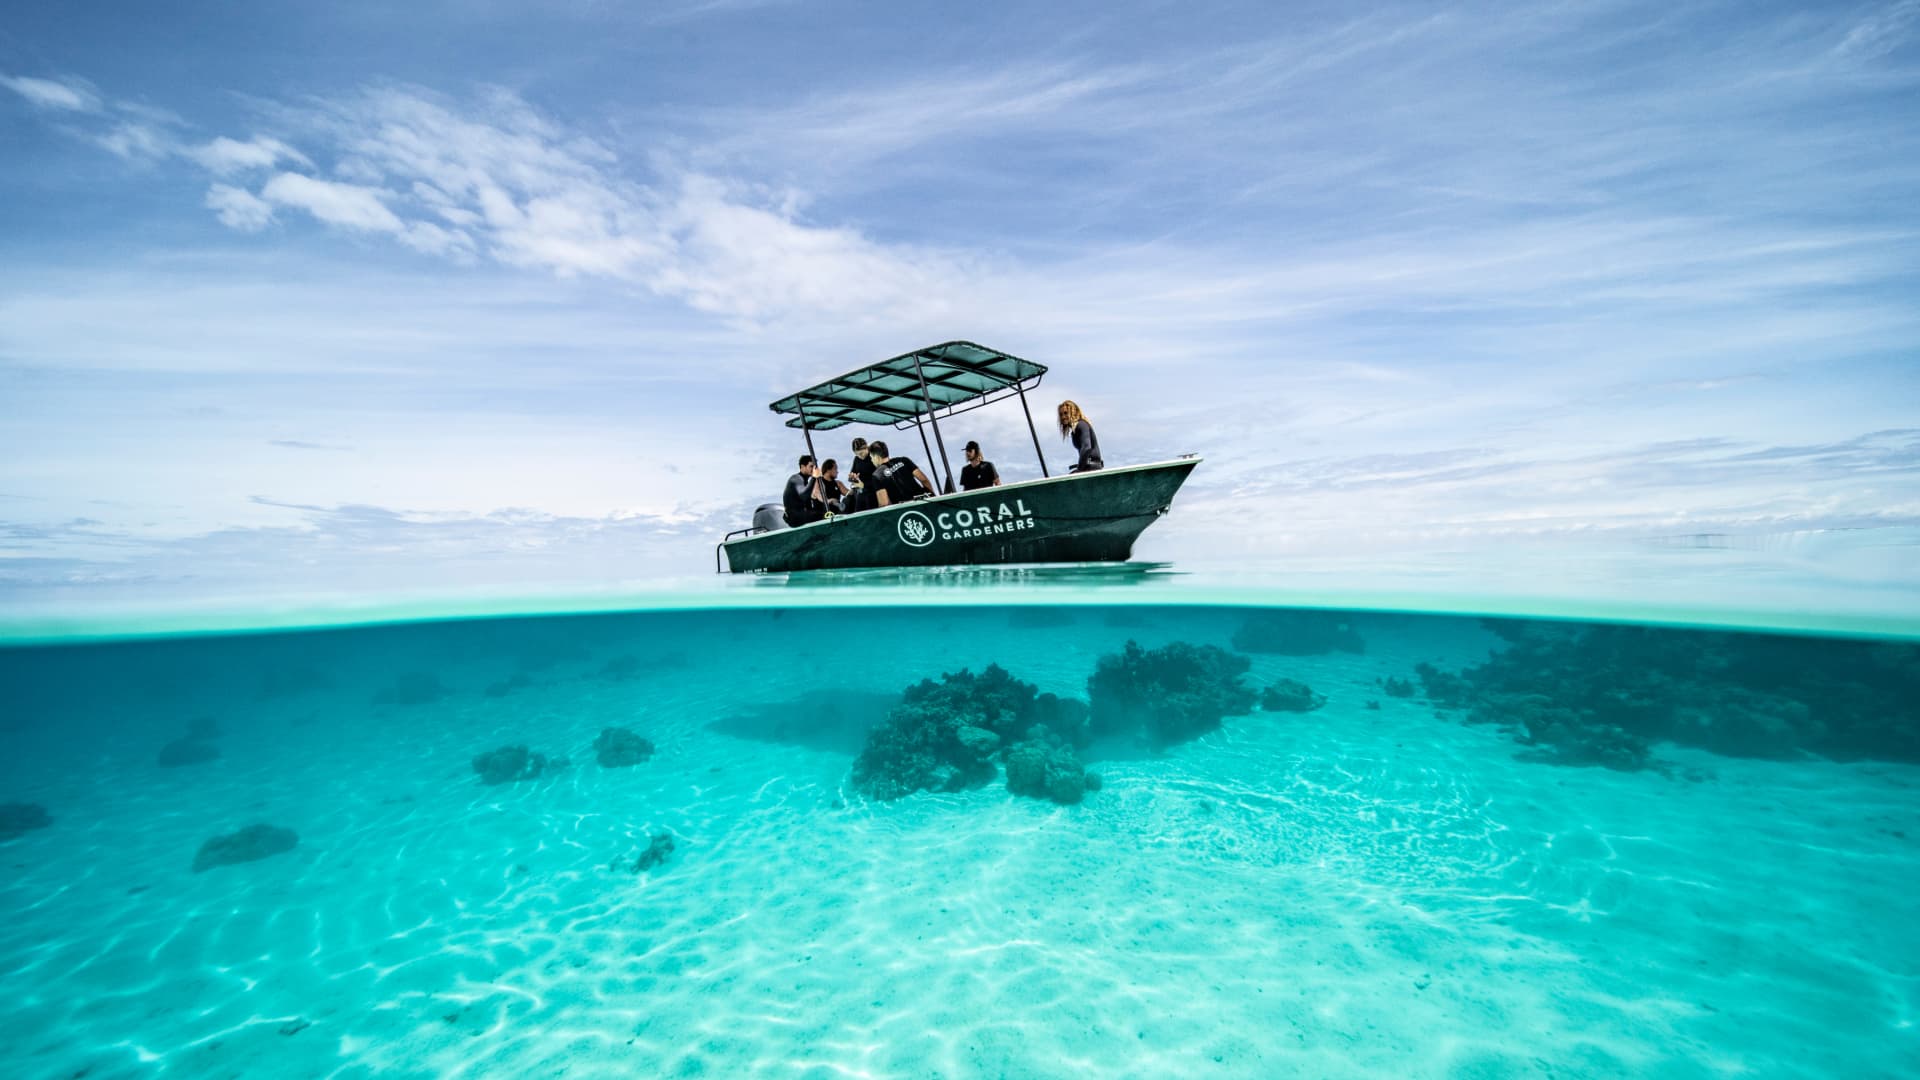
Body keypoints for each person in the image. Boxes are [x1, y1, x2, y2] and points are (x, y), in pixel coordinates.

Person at [868, 440, 932, 506]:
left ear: (876, 457)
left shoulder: (877, 475)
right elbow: (924, 480)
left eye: (871, 457)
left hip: (904, 509)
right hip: (923, 502)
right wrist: (932, 496)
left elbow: (884, 503)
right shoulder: (904, 460)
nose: (871, 460)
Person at [1057, 400, 1103, 473]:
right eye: (1061, 414)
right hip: (1089, 467)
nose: (1063, 417)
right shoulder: (1074, 430)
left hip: (1093, 468)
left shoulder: (1081, 425)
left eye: (1066, 413)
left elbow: (1086, 447)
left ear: (1074, 412)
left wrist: (1080, 469)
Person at [783, 454, 825, 525]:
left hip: (801, 514)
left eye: (815, 467)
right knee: (823, 515)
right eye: (811, 466)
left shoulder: (805, 482)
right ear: (802, 467)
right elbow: (804, 496)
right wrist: (814, 477)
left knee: (824, 512)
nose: (814, 469)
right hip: (794, 518)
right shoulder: (796, 478)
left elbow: (808, 505)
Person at [847, 437, 876, 513]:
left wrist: (864, 485)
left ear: (867, 448)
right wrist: (852, 478)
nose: (860, 456)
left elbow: (880, 477)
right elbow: (853, 474)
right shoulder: (856, 459)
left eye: (861, 453)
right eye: (857, 454)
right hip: (861, 493)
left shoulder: (873, 456)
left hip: (874, 492)